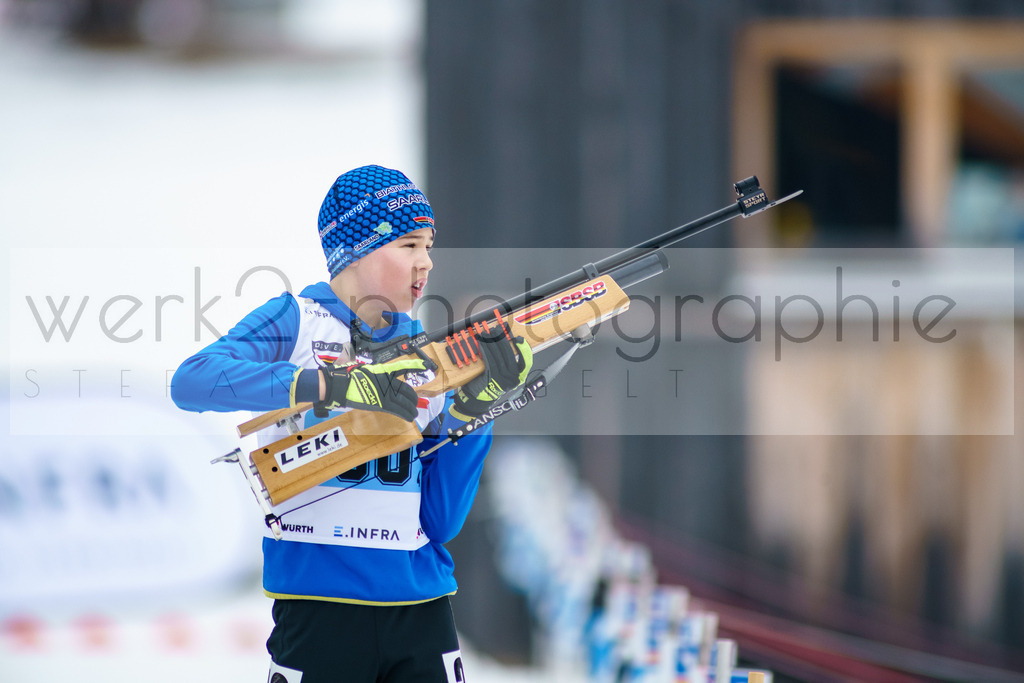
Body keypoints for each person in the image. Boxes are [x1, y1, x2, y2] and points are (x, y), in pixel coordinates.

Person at [171, 164, 533, 683]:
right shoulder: (296, 321)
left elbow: (440, 522)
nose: (425, 263)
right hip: (320, 611)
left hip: (422, 611)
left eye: (429, 246)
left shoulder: (427, 355)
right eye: (409, 245)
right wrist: (333, 385)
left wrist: (479, 407)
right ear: (357, 250)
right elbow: (193, 381)